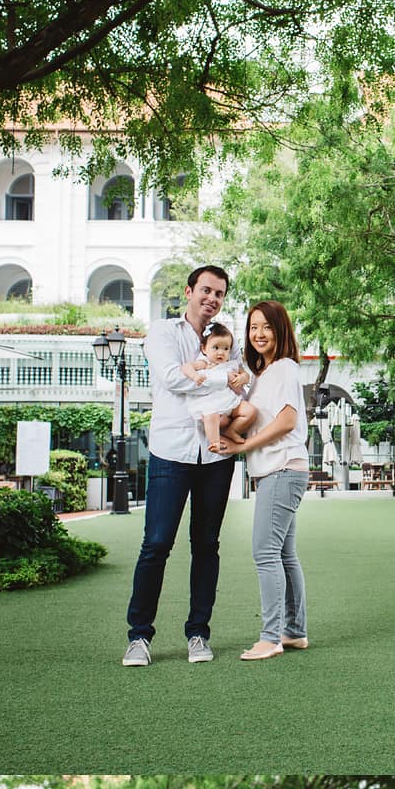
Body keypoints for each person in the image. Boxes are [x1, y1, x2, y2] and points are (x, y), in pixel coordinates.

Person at [122, 264, 250, 669]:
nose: (212, 299)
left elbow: (240, 383)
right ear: (189, 291)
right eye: (207, 290)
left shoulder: (226, 339)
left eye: (220, 294)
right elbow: (171, 380)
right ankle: (139, 637)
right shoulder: (163, 333)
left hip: (215, 455)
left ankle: (198, 632)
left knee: (206, 545)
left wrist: (220, 378)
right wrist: (218, 377)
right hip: (171, 451)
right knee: (156, 544)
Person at [217, 300, 310, 661]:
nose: (258, 334)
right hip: (282, 469)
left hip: (281, 469)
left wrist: (243, 445)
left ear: (280, 330)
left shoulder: (284, 368)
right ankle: (294, 632)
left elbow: (286, 421)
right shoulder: (265, 374)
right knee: (285, 555)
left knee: (265, 552)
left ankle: (270, 637)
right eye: (253, 327)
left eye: (266, 327)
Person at [180, 319, 259, 454]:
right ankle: (214, 442)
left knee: (251, 411)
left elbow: (246, 375)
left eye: (226, 348)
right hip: (213, 406)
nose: (221, 353)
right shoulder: (205, 363)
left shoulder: (232, 364)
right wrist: (195, 376)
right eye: (215, 348)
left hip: (231, 402)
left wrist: (242, 378)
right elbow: (186, 367)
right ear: (204, 349)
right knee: (212, 418)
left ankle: (232, 430)